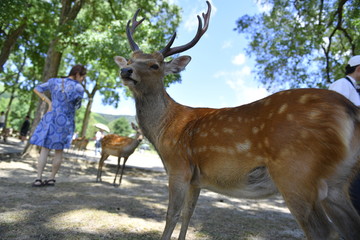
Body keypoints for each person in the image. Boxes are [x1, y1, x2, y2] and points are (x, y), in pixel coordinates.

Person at [29, 64, 86, 187]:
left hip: (51, 118)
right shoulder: (79, 88)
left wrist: (49, 102)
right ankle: (51, 179)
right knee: (59, 151)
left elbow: (37, 89)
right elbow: (77, 106)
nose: (82, 80)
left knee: (44, 149)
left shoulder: (53, 81)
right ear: (77, 74)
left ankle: (38, 179)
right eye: (82, 77)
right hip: (65, 121)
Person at [329, 55, 360, 214]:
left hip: (355, 148)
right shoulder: (341, 84)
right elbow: (331, 113)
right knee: (352, 190)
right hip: (347, 148)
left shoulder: (355, 89)